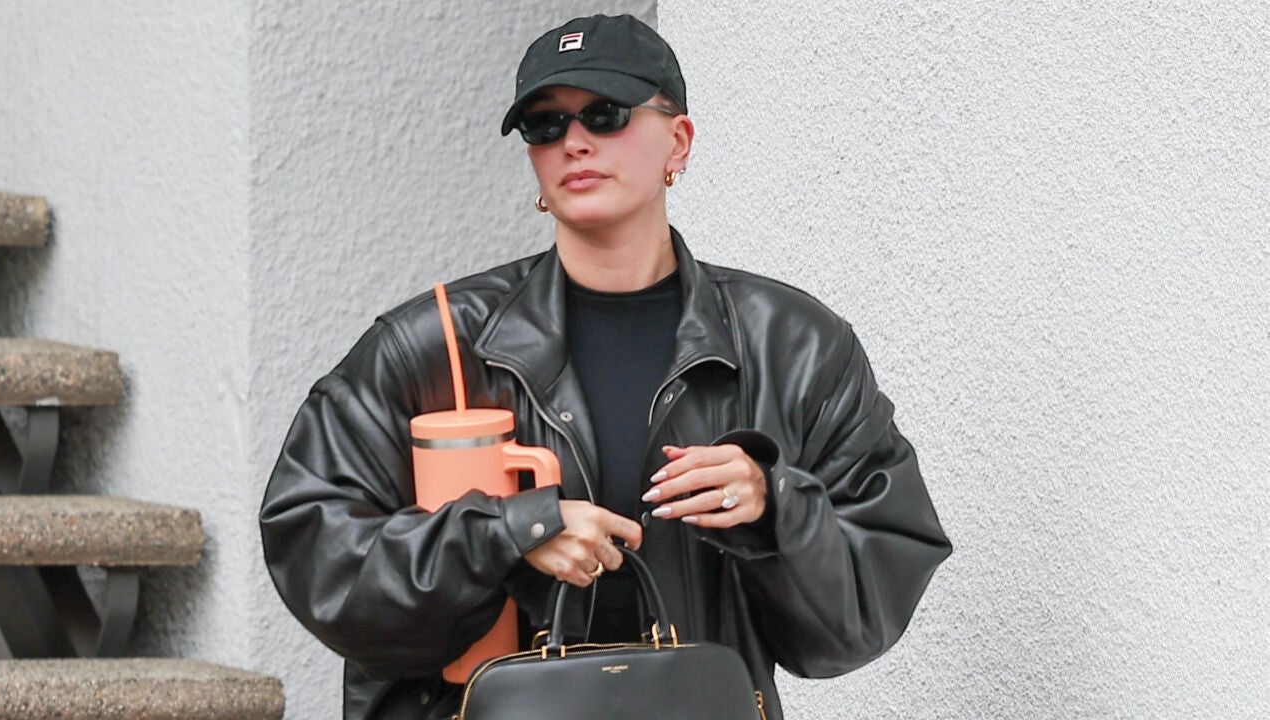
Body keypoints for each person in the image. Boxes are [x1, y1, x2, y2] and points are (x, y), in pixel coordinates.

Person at [261, 13, 951, 720]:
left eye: (606, 113)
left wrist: (773, 505)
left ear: (678, 141)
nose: (574, 141)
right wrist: (505, 535)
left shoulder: (793, 344)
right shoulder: (432, 344)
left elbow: (865, 604)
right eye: (544, 125)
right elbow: (316, 551)